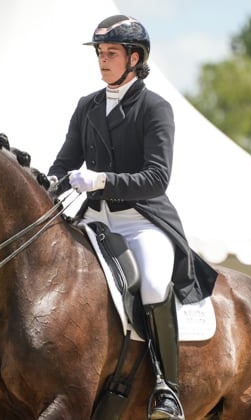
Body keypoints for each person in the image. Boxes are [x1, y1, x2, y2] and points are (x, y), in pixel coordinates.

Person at [47, 14, 218, 420]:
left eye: (111, 53)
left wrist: (103, 179)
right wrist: (49, 184)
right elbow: (64, 162)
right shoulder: (86, 106)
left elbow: (157, 177)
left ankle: (167, 389)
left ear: (134, 57)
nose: (102, 61)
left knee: (155, 285)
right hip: (94, 220)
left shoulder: (155, 109)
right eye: (100, 54)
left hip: (142, 220)